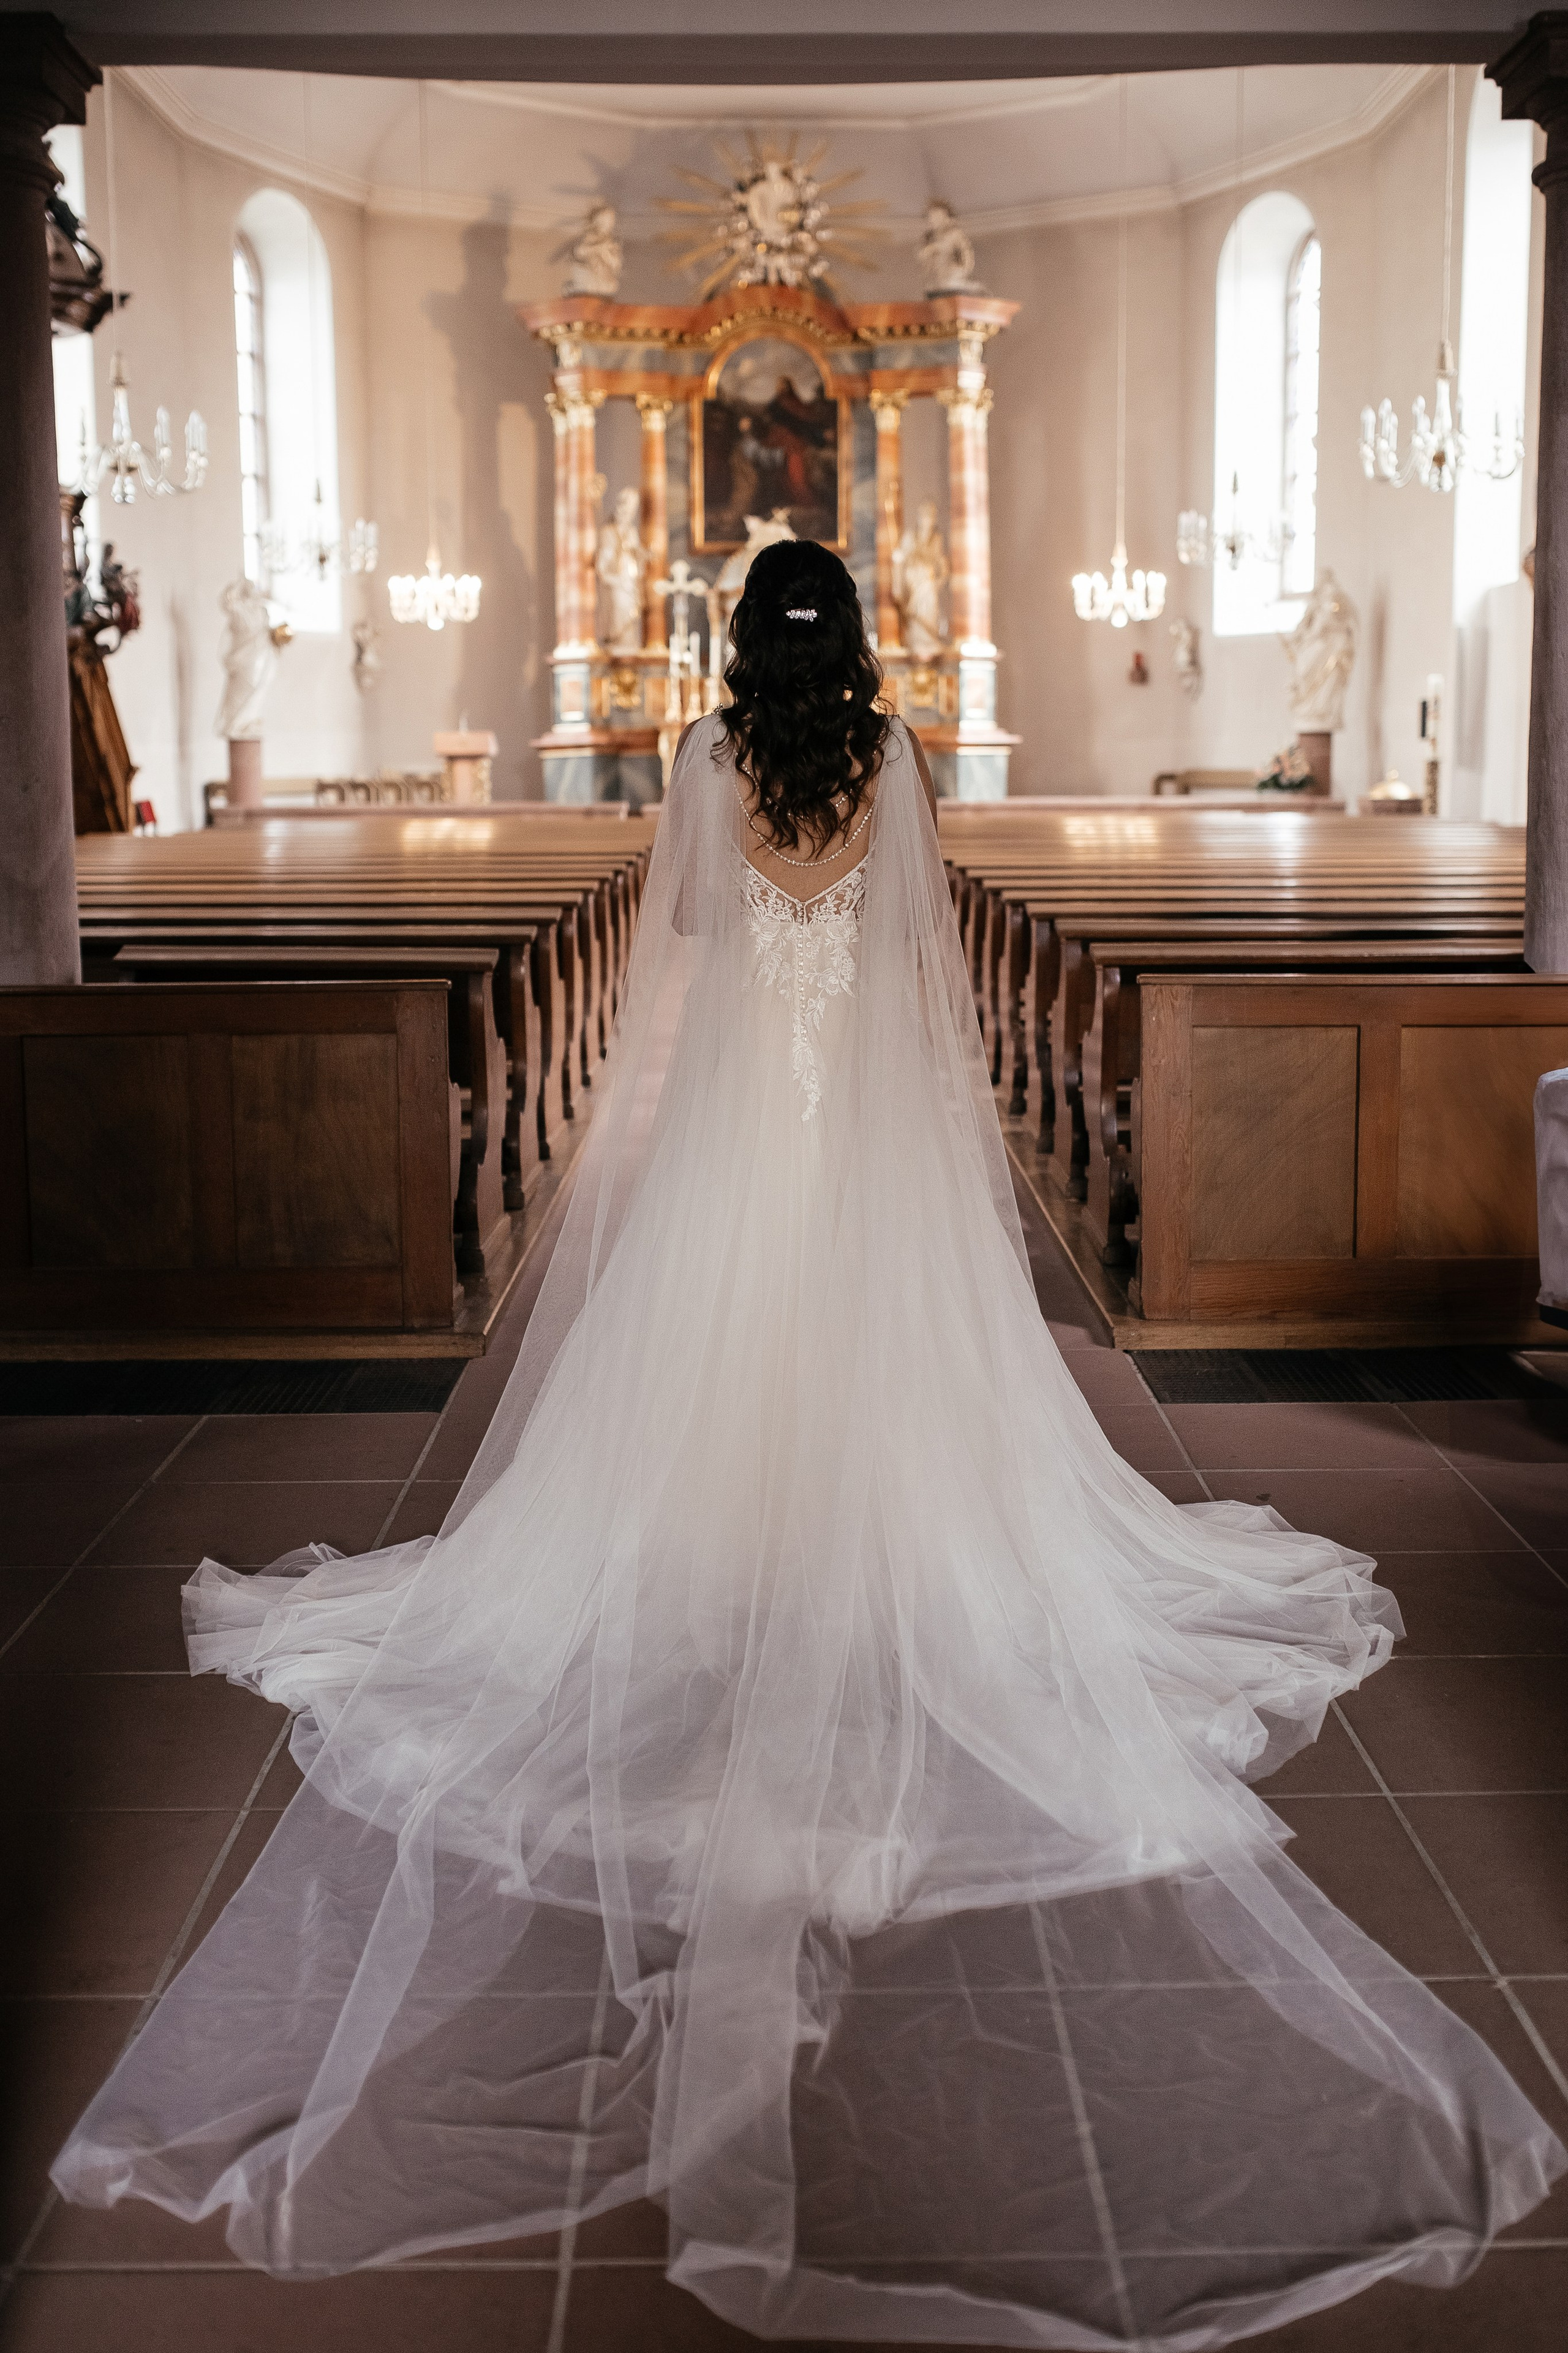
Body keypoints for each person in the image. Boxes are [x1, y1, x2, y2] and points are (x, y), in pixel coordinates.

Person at [53, 542, 1562, 2344]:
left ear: (739, 645)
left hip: (740, 1137)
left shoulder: (703, 762)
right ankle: (871, 1559)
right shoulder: (901, 759)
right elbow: (919, 951)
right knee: (900, 1372)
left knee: (698, 1367)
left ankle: (714, 1558)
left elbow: (690, 940)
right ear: (849, 641)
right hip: (865, 1148)